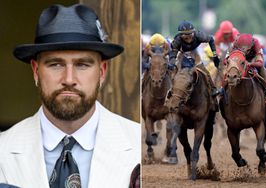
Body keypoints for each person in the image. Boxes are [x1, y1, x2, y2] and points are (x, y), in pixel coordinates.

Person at [0, 4, 140, 188]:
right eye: (55, 64)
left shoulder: (137, 144)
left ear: (102, 71)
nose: (69, 79)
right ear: (35, 71)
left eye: (82, 65)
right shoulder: (3, 149)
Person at [169, 21, 220, 109]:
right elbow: (173, 53)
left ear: (194, 32)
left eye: (190, 34)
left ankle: (213, 90)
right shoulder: (177, 40)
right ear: (180, 35)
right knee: (174, 71)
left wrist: (215, 55)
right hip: (182, 54)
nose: (188, 36)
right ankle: (171, 90)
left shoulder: (199, 35)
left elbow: (211, 39)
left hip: (195, 52)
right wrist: (172, 63)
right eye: (185, 35)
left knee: (204, 71)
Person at [223, 34, 266, 103]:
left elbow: (260, 63)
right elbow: (225, 60)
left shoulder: (256, 43)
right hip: (240, 60)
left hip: (253, 60)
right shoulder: (234, 44)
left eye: (247, 50)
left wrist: (250, 64)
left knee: (262, 68)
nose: (245, 51)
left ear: (251, 46)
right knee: (228, 69)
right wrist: (230, 63)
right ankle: (222, 90)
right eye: (241, 49)